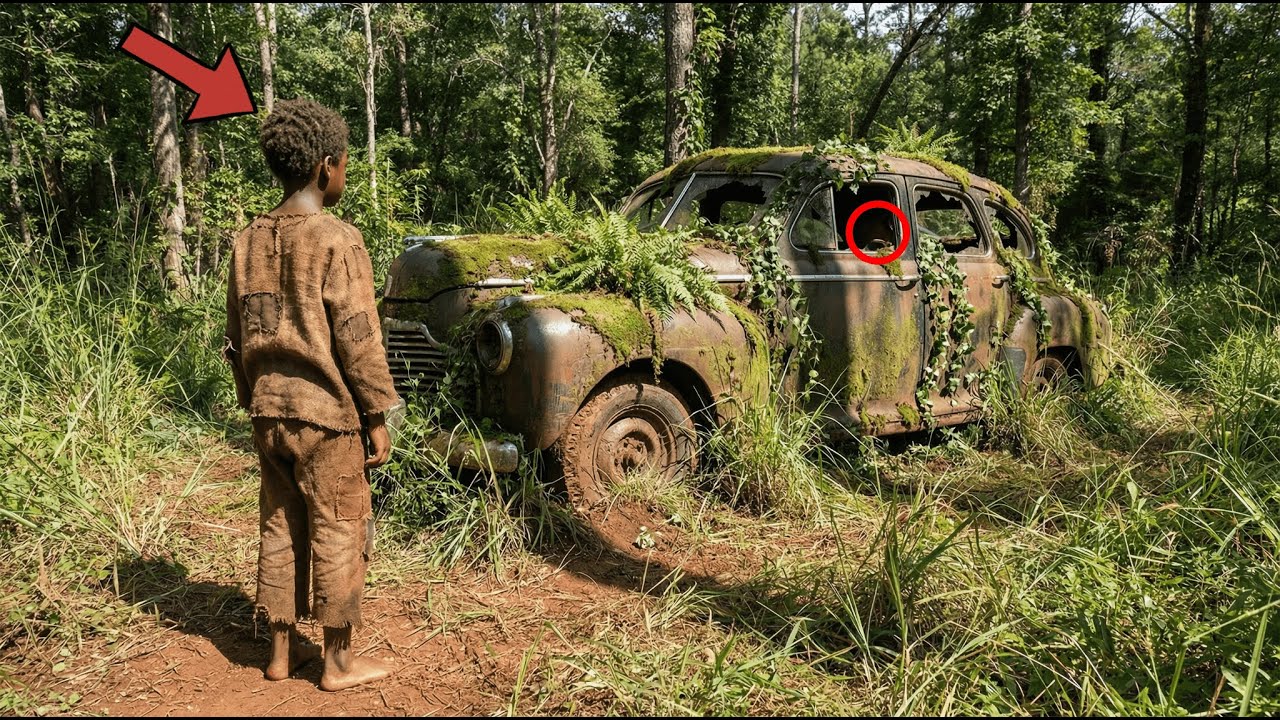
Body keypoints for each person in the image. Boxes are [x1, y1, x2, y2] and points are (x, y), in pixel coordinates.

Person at [223, 98, 400, 692]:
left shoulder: (246, 241)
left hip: (268, 411)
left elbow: (236, 337)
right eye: (345, 164)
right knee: (340, 526)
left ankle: (279, 655)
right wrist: (376, 413)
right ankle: (337, 662)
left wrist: (254, 396)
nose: (344, 173)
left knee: (280, 524)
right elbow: (357, 338)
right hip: (327, 419)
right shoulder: (338, 240)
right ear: (327, 167)